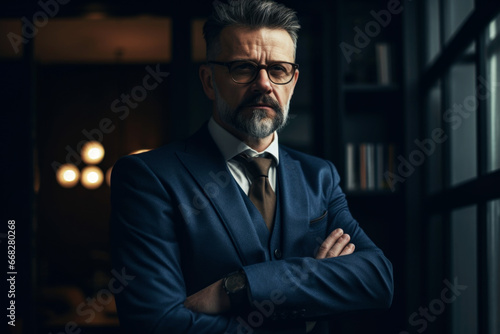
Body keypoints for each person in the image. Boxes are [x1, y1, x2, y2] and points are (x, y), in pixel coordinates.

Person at [110, 0, 394, 333]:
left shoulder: (320, 176)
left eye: (278, 69)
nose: (264, 84)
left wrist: (239, 287)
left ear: (293, 80)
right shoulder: (147, 177)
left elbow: (377, 277)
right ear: (208, 80)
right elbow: (155, 325)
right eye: (243, 68)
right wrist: (309, 296)